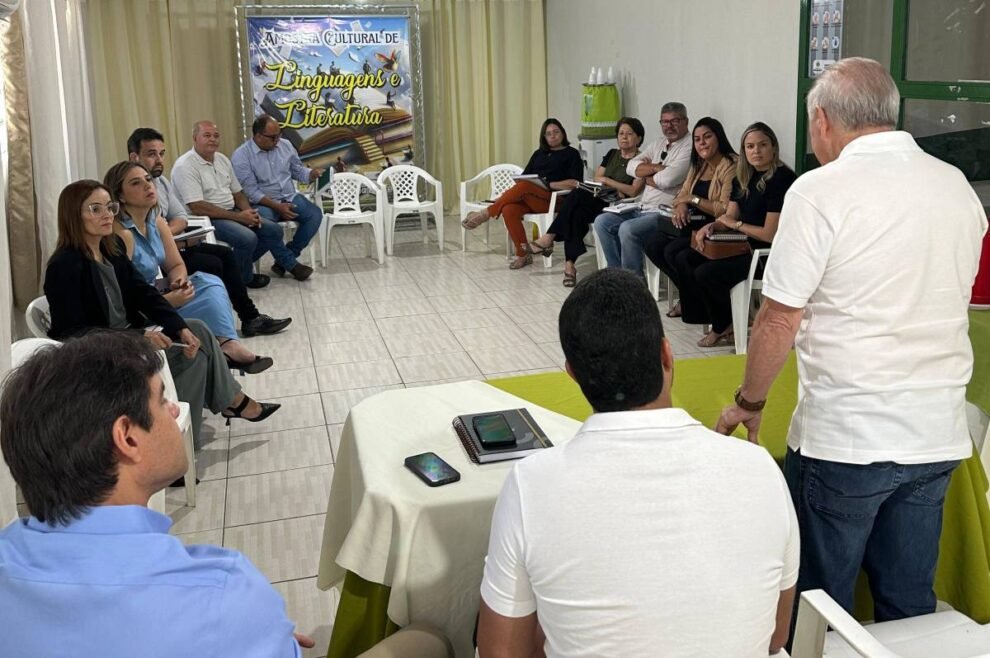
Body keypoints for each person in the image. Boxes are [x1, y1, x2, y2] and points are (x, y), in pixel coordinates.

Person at [716, 58, 988, 624]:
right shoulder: (955, 185)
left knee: (819, 609)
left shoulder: (820, 191)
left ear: (821, 120)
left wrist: (749, 402)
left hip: (848, 436)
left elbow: (777, 320)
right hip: (935, 433)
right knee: (909, 605)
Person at [478, 268, 799, 657]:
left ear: (573, 375)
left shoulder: (530, 484)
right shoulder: (761, 469)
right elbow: (776, 637)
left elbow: (501, 653)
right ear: (667, 354)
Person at [0, 333, 313, 656]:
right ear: (128, 438)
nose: (175, 410)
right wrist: (256, 631)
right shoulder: (219, 594)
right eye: (162, 399)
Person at [43, 179, 281, 447]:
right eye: (95, 209)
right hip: (98, 355)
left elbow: (142, 293)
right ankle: (178, 441)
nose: (107, 214)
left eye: (109, 207)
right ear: (74, 215)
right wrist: (139, 337)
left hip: (128, 337)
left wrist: (178, 327)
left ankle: (209, 417)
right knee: (196, 359)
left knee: (197, 331)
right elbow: (74, 333)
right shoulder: (64, 266)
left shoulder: (110, 250)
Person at [105, 161, 273, 375]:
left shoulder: (155, 221)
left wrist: (179, 281)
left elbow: (175, 264)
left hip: (157, 292)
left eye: (148, 180)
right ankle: (227, 346)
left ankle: (228, 343)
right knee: (212, 283)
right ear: (120, 196)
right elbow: (123, 297)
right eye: (136, 183)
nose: (148, 186)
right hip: (140, 308)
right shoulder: (122, 234)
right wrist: (167, 301)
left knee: (208, 280)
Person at [126, 127, 292, 334]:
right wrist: (168, 238)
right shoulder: (128, 189)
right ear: (134, 157)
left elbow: (181, 217)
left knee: (226, 254)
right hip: (160, 258)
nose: (159, 160)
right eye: (151, 154)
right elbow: (147, 235)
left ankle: (250, 318)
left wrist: (166, 233)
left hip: (174, 244)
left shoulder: (161, 182)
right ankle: (221, 329)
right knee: (217, 262)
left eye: (161, 153)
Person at [679, 122, 796, 347]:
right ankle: (723, 321)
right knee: (687, 257)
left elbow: (769, 234)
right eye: (750, 146)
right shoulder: (743, 177)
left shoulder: (781, 179)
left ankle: (724, 325)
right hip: (741, 246)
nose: (756, 151)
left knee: (707, 273)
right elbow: (728, 217)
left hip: (768, 255)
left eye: (762, 145)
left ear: (774, 147)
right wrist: (712, 227)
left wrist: (737, 224)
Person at [171, 120, 311, 285]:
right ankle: (241, 278)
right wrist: (239, 217)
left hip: (232, 212)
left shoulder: (222, 159)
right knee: (248, 238)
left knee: (273, 231)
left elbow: (238, 193)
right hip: (205, 219)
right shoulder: (185, 166)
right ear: (195, 138)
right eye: (207, 135)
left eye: (216, 136)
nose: (213, 139)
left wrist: (248, 212)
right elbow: (197, 206)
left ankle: (234, 273)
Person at [527, 117, 646, 287]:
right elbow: (597, 177)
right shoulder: (612, 154)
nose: (624, 137)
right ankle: (569, 265)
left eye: (629, 134)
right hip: (600, 197)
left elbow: (633, 190)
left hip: (618, 204)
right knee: (576, 212)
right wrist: (608, 182)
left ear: (639, 138)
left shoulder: (642, 160)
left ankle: (550, 238)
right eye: (621, 133)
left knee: (576, 200)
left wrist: (607, 181)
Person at [646, 117, 737, 319]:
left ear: (719, 138)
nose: (702, 143)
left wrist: (692, 199)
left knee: (675, 253)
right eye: (697, 139)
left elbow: (724, 209)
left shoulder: (730, 164)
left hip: (716, 227)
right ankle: (691, 296)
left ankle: (695, 305)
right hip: (691, 223)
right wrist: (682, 204)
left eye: (707, 137)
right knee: (653, 243)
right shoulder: (698, 165)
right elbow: (681, 195)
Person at [461, 118, 583, 270]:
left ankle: (486, 213)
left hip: (555, 200)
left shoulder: (571, 154)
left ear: (563, 133)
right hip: (532, 197)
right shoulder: (539, 154)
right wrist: (532, 185)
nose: (553, 136)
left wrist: (548, 184)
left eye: (556, 132)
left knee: (525, 186)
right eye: (548, 134)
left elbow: (575, 183)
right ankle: (523, 254)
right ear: (544, 137)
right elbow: (524, 178)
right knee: (509, 209)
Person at [592, 102, 691, 275]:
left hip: (665, 212)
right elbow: (631, 166)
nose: (669, 126)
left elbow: (668, 179)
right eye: (665, 122)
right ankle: (617, 277)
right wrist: (656, 169)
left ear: (686, 121)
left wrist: (647, 173)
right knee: (602, 222)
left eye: (674, 121)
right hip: (642, 206)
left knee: (627, 229)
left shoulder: (689, 146)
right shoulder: (658, 143)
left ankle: (634, 284)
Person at [230, 114, 325, 281]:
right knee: (267, 226)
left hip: (290, 197)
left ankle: (284, 260)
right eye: (273, 137)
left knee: (314, 215)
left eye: (279, 135)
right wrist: (277, 207)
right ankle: (291, 264)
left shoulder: (286, 145)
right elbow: (251, 192)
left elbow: (297, 170)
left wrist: (311, 174)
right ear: (258, 136)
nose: (277, 141)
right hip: (263, 203)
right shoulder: (241, 156)